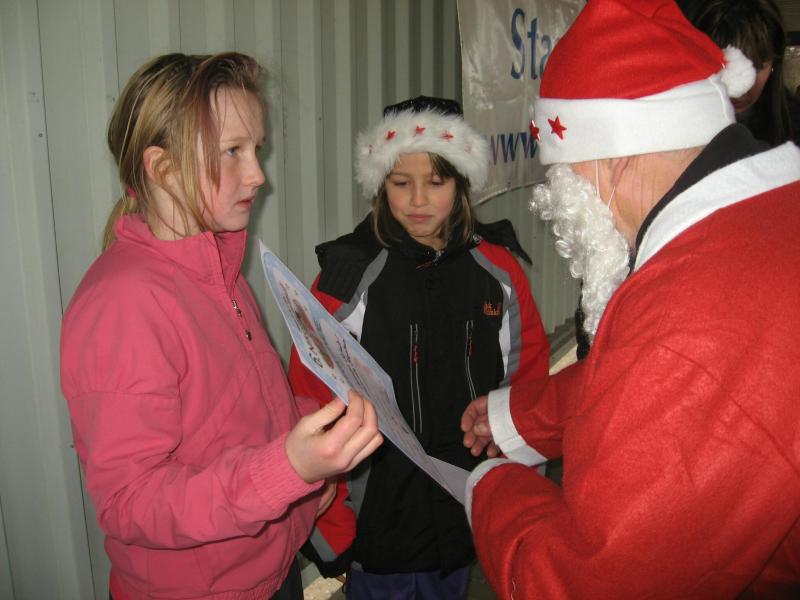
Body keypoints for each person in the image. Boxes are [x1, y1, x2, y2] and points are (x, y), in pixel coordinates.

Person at [461, 0, 800, 598]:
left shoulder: (689, 311)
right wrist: (521, 416)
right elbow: (648, 384)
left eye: (563, 174)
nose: (562, 199)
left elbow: (589, 583)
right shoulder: (755, 220)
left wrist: (491, 489)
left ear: (610, 160)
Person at [60, 52, 383, 600]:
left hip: (269, 570)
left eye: (256, 149)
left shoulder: (217, 271)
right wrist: (288, 469)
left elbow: (236, 413)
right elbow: (129, 503)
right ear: (163, 167)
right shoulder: (122, 305)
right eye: (233, 151)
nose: (258, 175)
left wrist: (317, 431)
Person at [287, 96, 550, 599]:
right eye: (401, 183)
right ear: (380, 184)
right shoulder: (346, 278)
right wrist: (332, 534)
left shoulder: (499, 272)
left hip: (464, 513)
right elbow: (308, 397)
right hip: (378, 529)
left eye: (436, 182)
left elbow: (528, 387)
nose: (418, 200)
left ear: (462, 182)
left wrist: (520, 498)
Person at [678, 0, 800, 146]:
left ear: (773, 65)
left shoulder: (794, 130)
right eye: (724, 66)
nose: (742, 89)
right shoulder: (673, 127)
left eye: (756, 67)